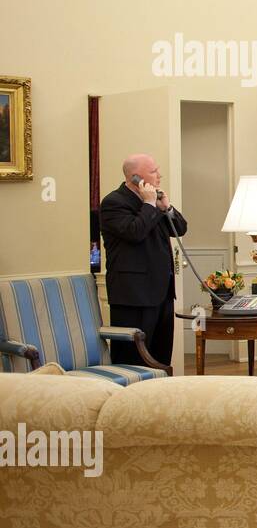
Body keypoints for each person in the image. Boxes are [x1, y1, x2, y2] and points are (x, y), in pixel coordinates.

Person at [99, 153, 187, 368]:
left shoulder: (154, 202)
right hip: (134, 295)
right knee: (133, 358)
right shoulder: (114, 202)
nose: (159, 175)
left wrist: (166, 208)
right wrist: (148, 204)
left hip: (162, 292)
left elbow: (180, 229)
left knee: (160, 355)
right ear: (137, 177)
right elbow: (135, 232)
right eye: (154, 171)